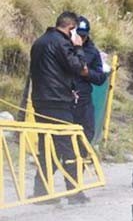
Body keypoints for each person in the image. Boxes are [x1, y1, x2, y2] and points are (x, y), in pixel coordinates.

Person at [29, 11, 90, 204]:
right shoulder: (62, 43)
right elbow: (79, 67)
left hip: (40, 100)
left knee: (46, 146)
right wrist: (78, 48)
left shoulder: (39, 42)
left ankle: (41, 191)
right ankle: (74, 192)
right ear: (71, 29)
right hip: (58, 102)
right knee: (68, 147)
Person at [71, 16, 108, 150]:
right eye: (78, 35)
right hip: (64, 98)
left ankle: (78, 165)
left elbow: (101, 77)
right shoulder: (63, 46)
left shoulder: (92, 51)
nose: (81, 39)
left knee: (87, 133)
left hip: (83, 99)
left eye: (84, 36)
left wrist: (87, 74)